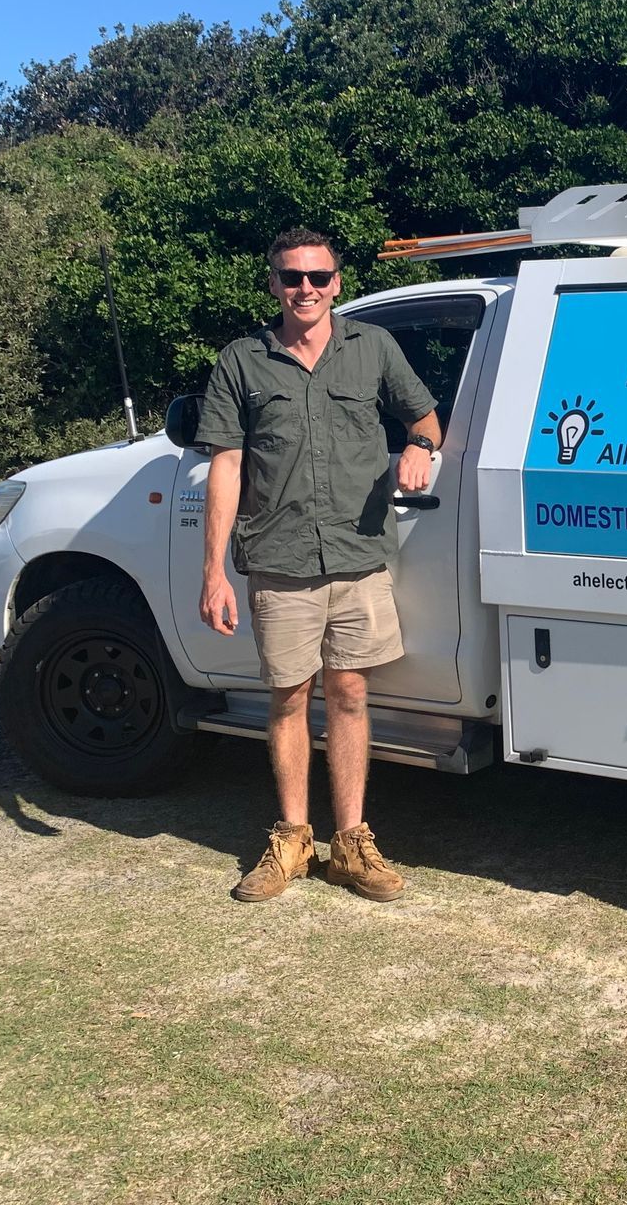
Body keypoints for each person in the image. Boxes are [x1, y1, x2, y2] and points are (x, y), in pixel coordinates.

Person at [194, 227, 442, 903]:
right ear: (272, 283)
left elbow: (424, 416)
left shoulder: (373, 349)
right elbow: (226, 464)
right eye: (292, 276)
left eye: (319, 276)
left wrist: (419, 445)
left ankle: (352, 843)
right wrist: (212, 571)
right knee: (288, 697)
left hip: (358, 555)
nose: (306, 288)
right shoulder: (243, 362)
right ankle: (292, 839)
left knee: (352, 694)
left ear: (338, 283)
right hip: (279, 558)